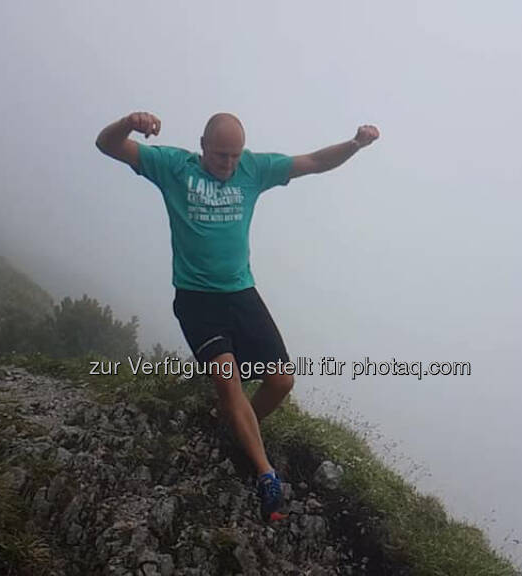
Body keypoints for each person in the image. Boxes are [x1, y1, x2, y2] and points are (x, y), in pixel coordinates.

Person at [96, 111, 379, 520]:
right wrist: (129, 122)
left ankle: (233, 426)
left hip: (242, 294)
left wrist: (354, 145)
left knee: (281, 381)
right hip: (197, 299)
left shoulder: (255, 169)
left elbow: (314, 162)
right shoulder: (174, 167)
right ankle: (265, 473)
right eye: (220, 155)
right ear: (202, 146)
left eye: (234, 155)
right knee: (229, 383)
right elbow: (107, 145)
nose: (228, 164)